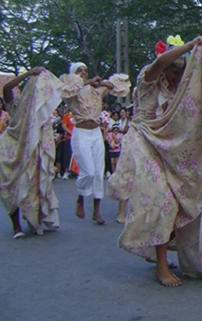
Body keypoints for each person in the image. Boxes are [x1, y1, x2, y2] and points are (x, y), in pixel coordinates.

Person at [109, 35, 202, 286]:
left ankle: (166, 252)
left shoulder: (182, 90)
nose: (176, 76)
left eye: (182, 71)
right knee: (163, 200)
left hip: (170, 148)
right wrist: (190, 46)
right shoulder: (147, 81)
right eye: (174, 70)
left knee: (181, 201)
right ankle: (160, 266)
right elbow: (158, 64)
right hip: (145, 142)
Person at [60, 63, 130, 225]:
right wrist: (89, 81)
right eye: (79, 71)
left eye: (85, 70)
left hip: (96, 134)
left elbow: (118, 86)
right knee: (89, 172)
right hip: (81, 133)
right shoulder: (71, 92)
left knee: (99, 173)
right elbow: (65, 88)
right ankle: (81, 198)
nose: (83, 73)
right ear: (73, 74)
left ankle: (96, 210)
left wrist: (102, 83)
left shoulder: (96, 89)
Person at [0, 67, 63, 239]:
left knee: (31, 185)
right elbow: (6, 89)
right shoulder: (16, 102)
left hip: (30, 149)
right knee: (11, 187)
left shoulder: (39, 110)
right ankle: (16, 227)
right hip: (11, 148)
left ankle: (33, 219)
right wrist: (28, 74)